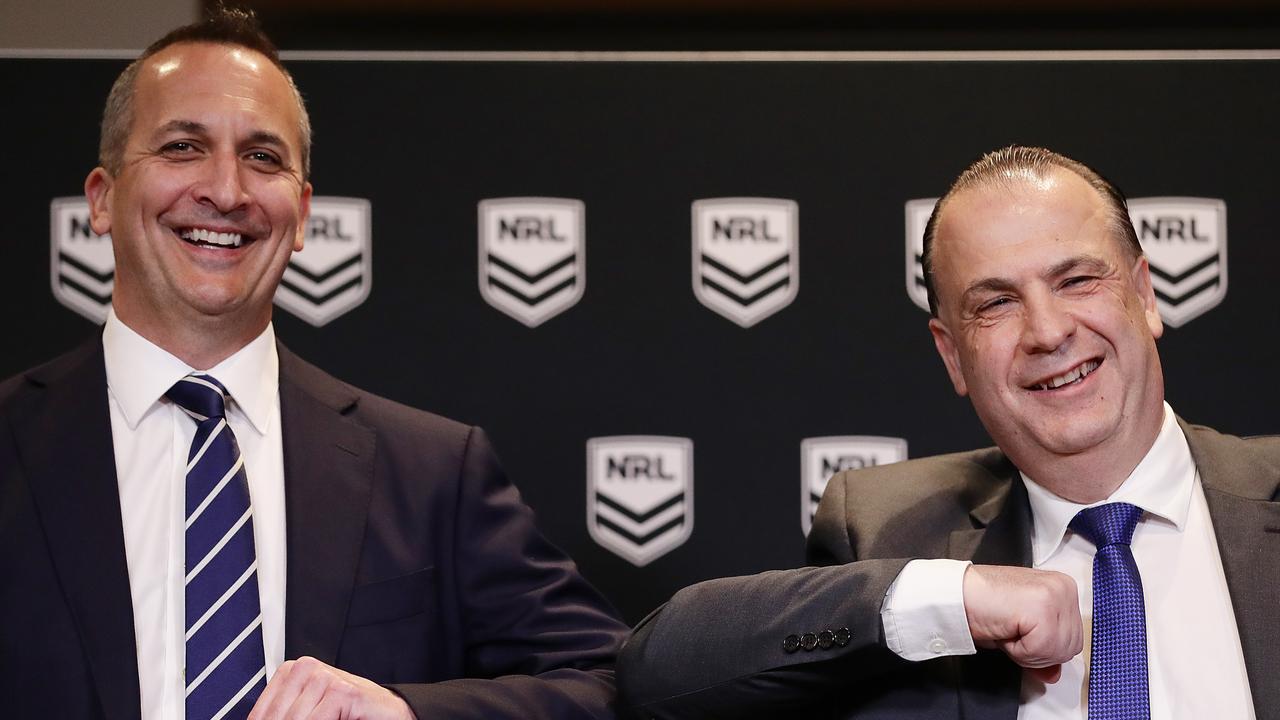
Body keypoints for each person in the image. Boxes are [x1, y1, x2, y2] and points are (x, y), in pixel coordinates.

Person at [0, 7, 627, 720]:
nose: (227, 191)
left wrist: (406, 712)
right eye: (182, 147)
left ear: (300, 215)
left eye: (263, 157)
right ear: (103, 198)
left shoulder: (431, 473)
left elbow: (607, 682)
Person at [617, 146, 1280, 720]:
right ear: (953, 355)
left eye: (1077, 280)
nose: (1048, 332)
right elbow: (656, 674)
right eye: (995, 303)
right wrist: (948, 600)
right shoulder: (886, 525)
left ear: (1145, 295)